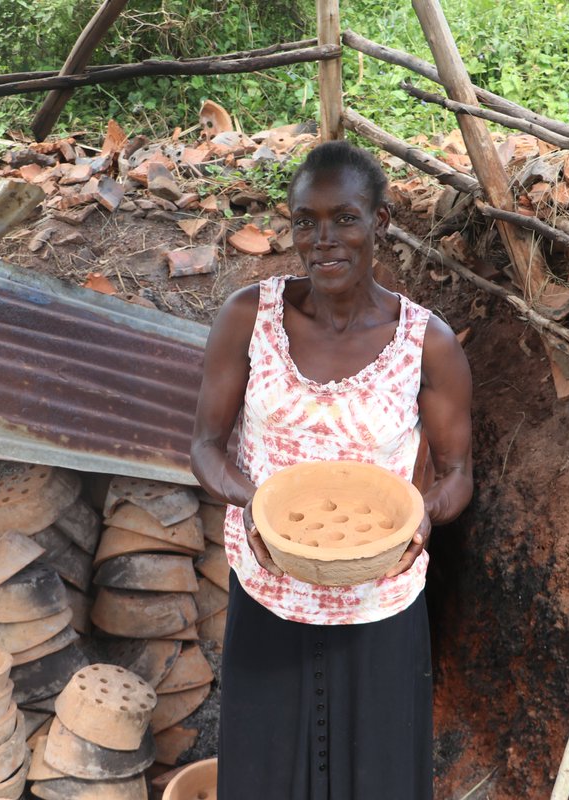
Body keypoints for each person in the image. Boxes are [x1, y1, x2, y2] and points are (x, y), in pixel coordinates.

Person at [190, 139, 474, 800]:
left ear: (381, 222)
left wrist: (421, 520)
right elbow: (206, 445)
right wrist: (255, 504)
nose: (324, 240)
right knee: (266, 775)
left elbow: (457, 473)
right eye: (305, 222)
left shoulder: (426, 342)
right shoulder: (248, 318)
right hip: (271, 588)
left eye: (344, 218)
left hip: (378, 600)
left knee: (376, 779)